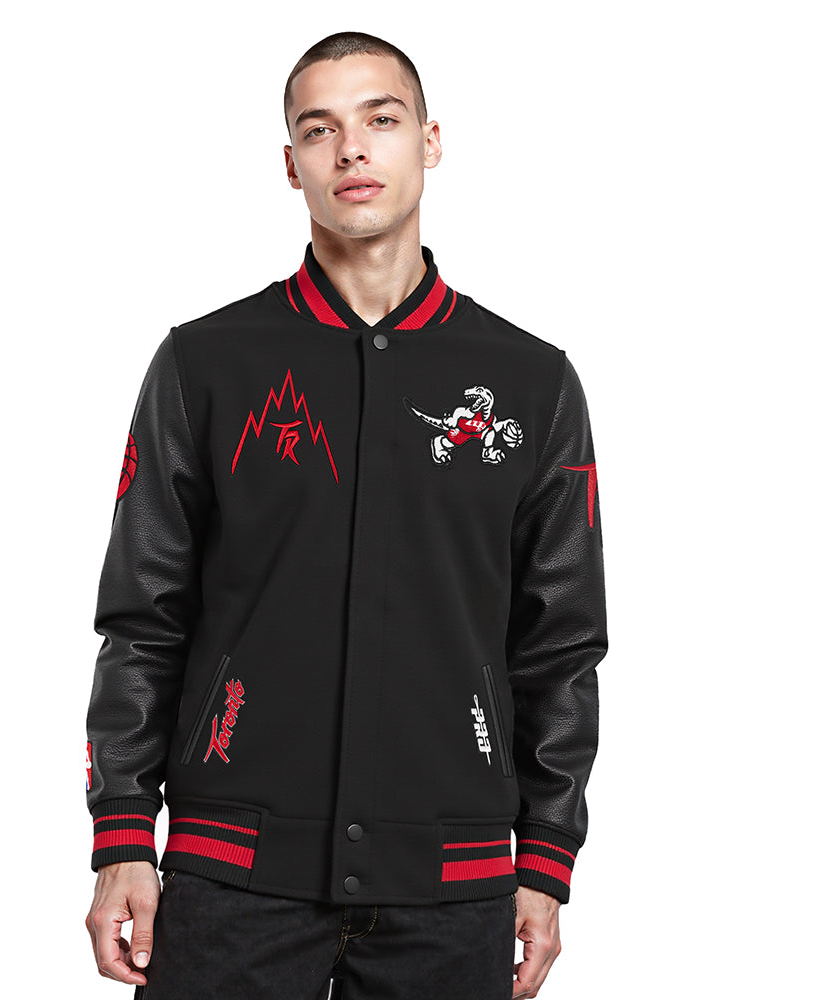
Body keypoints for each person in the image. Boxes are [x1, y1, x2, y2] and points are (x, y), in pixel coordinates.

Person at [84, 30, 607, 1000]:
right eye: (319, 129)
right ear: (291, 164)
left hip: (451, 890)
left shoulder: (531, 384)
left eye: (381, 119)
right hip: (231, 879)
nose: (351, 148)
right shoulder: (206, 366)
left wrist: (545, 856)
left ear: (430, 142)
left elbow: (560, 644)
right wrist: (121, 834)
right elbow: (142, 621)